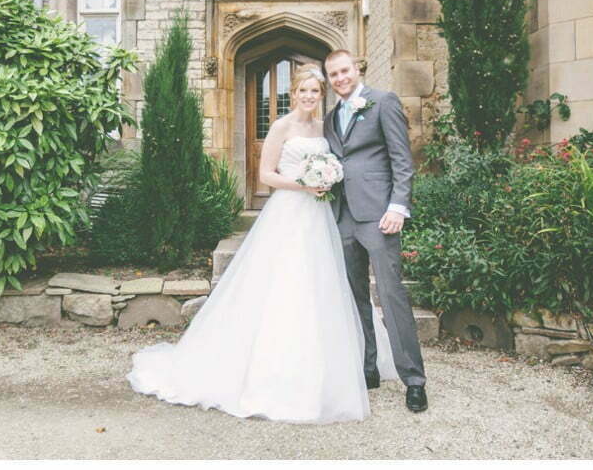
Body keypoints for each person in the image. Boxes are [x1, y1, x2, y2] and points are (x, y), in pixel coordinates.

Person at [126, 63, 399, 423]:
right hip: (290, 212)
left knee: (323, 286)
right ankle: (274, 372)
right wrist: (304, 184)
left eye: (315, 92)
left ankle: (328, 369)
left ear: (322, 95)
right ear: (294, 92)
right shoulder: (281, 126)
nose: (308, 96)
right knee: (283, 284)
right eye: (302, 91)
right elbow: (266, 174)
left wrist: (328, 179)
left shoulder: (325, 127)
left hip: (321, 216)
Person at [322, 49, 427, 413]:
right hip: (343, 216)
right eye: (333, 74)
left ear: (357, 69)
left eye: (344, 71)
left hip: (380, 215)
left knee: (391, 294)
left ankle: (414, 380)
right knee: (355, 298)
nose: (340, 78)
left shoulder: (382, 102)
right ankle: (368, 369)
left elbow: (402, 158)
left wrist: (398, 206)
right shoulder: (331, 117)